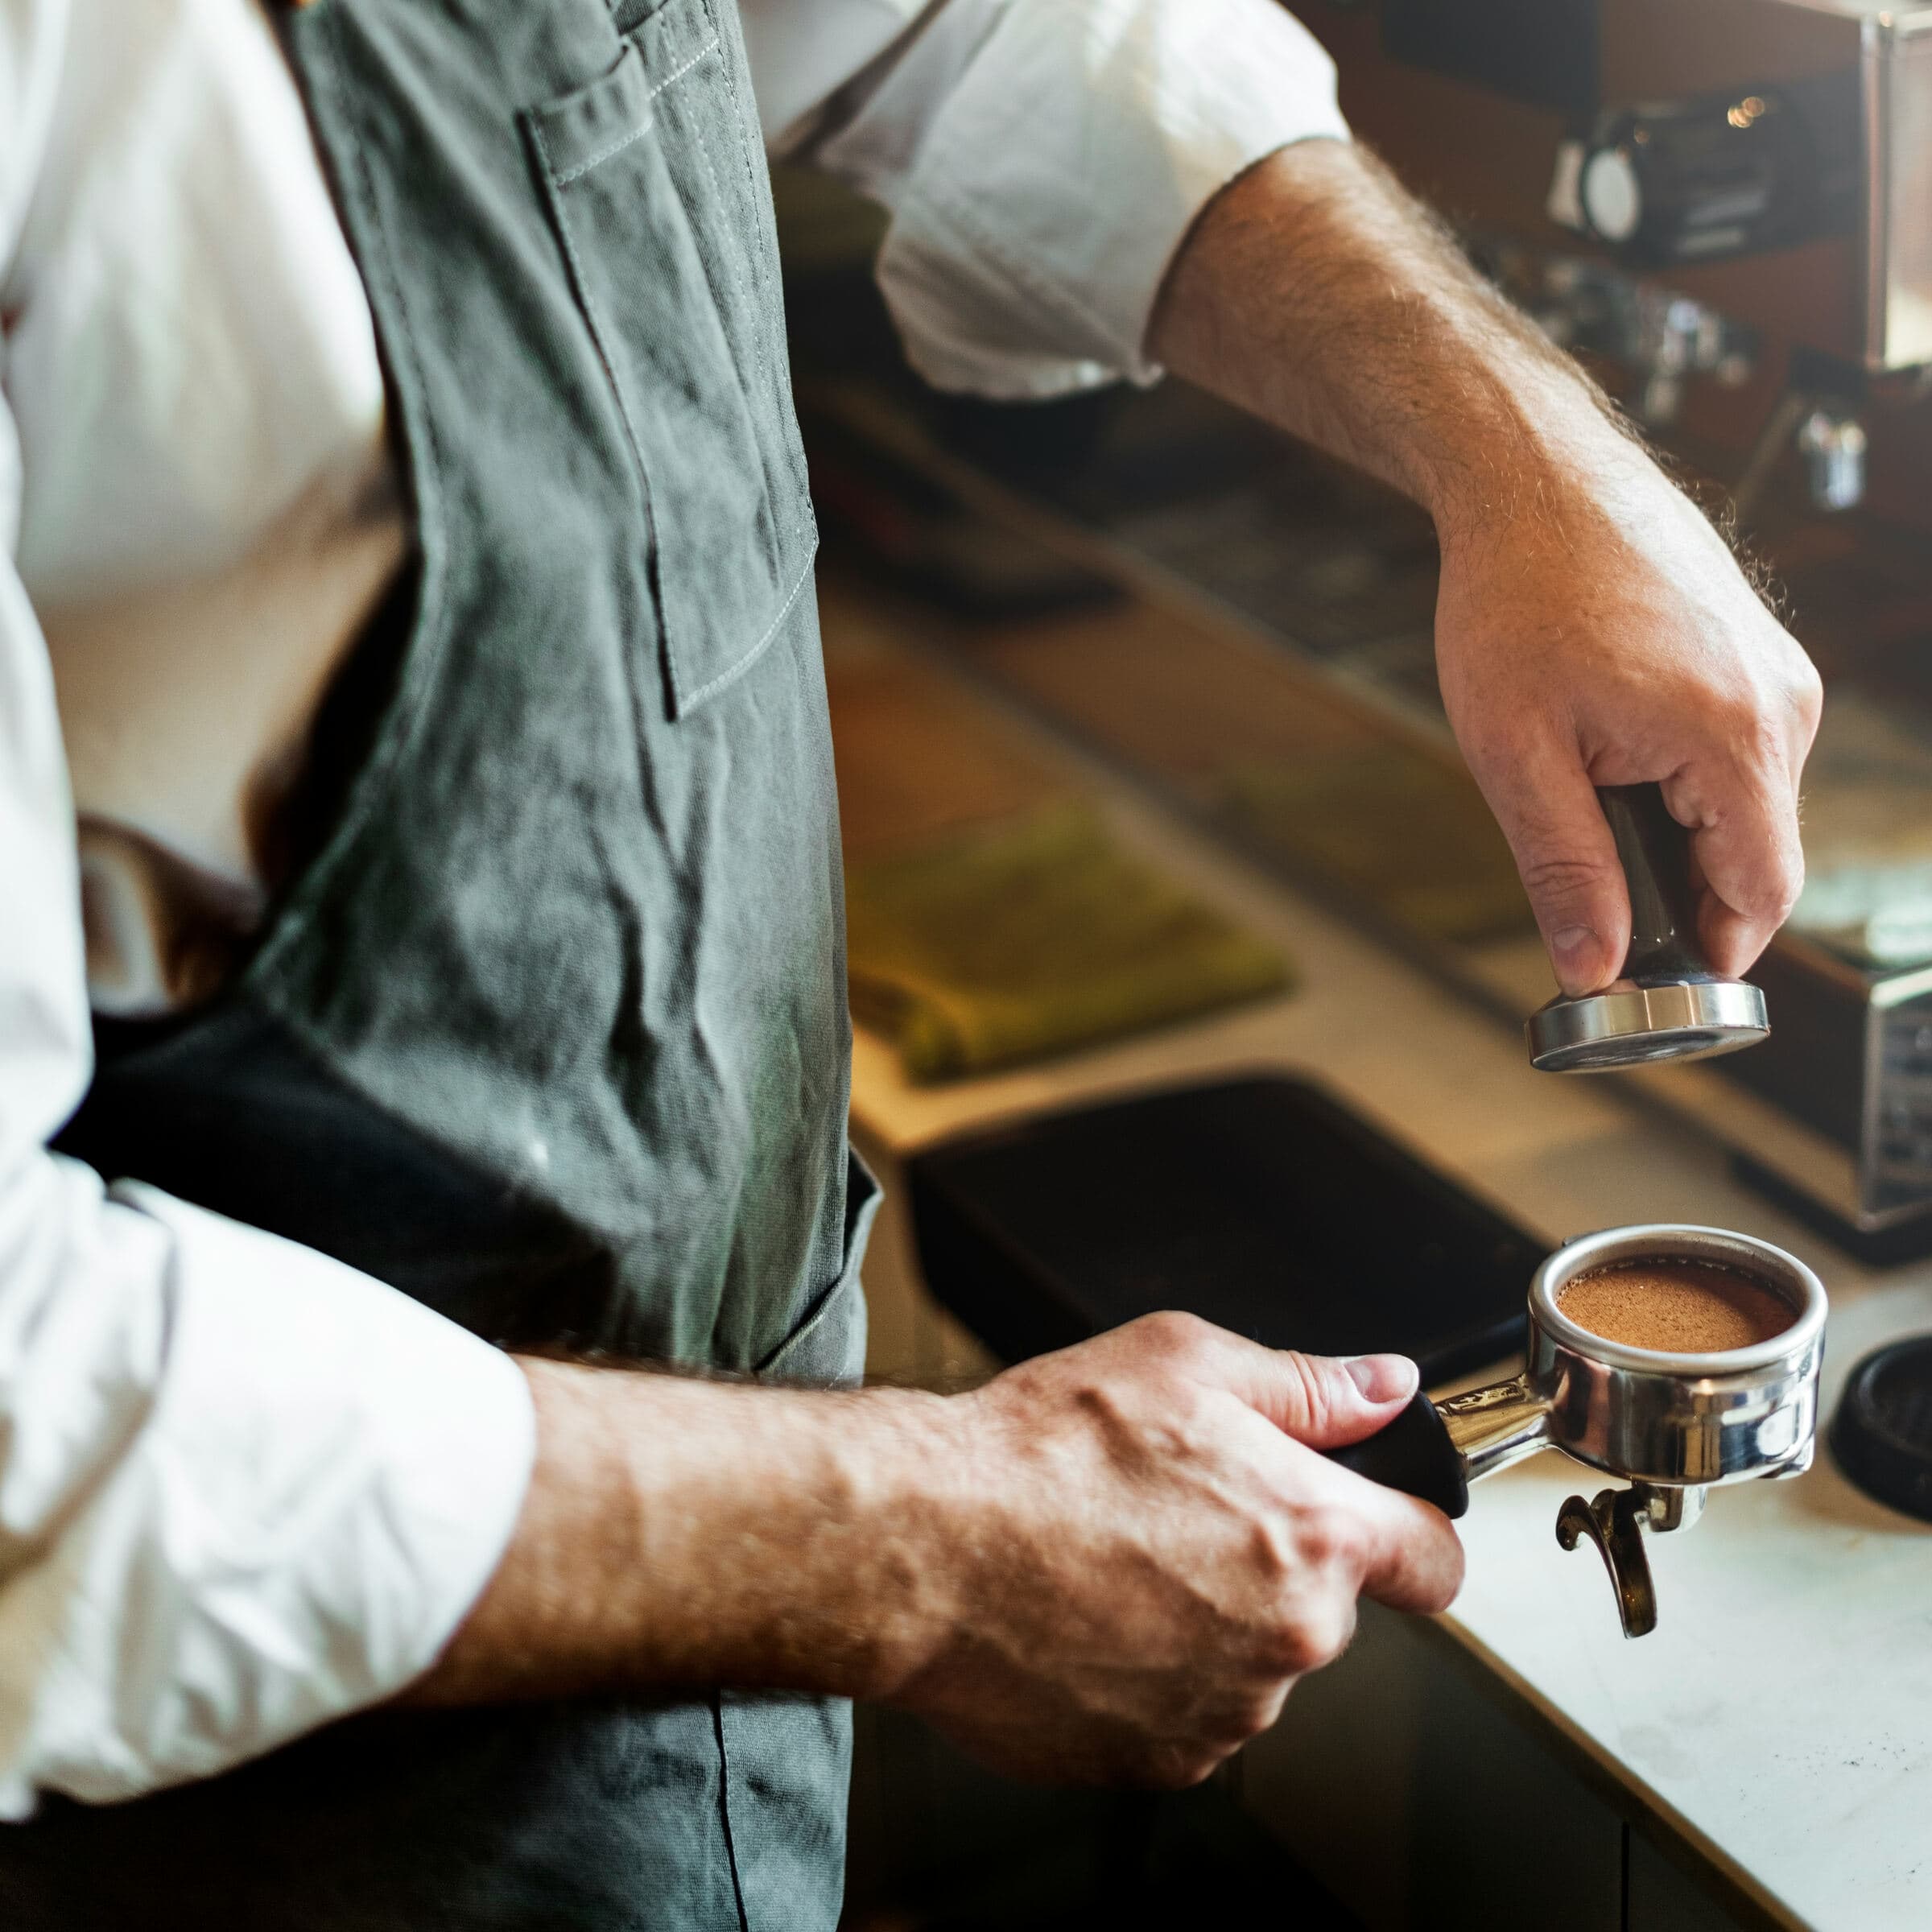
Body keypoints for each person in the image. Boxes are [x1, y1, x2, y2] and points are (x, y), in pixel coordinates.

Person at [0, 0, 1819, 1925]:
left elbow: (949, 25)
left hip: (715, 1666)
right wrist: (927, 1545)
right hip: (229, 1770)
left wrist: (1517, 443)